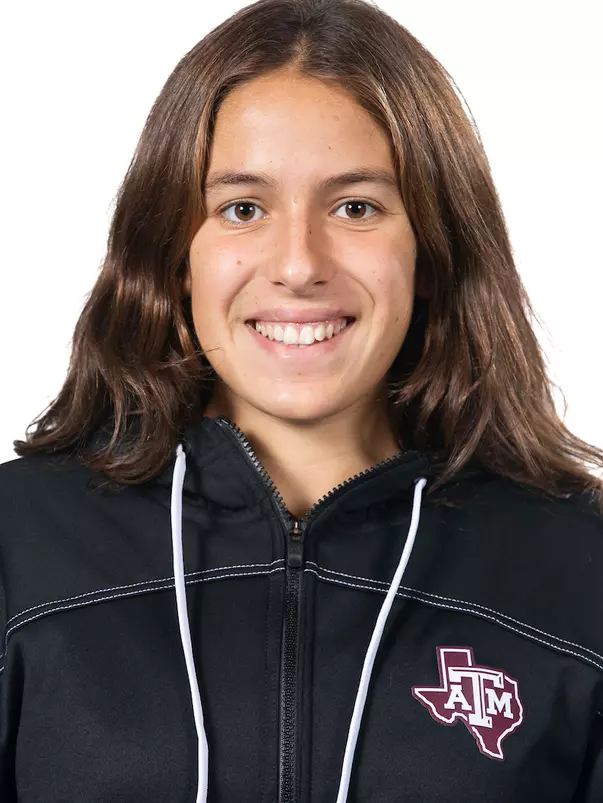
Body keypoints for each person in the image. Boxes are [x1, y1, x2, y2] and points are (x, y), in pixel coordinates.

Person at [1, 0, 602, 800]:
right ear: (175, 254)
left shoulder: (577, 568)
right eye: (242, 208)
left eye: (355, 207)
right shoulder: (20, 543)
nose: (296, 264)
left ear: (431, 250)